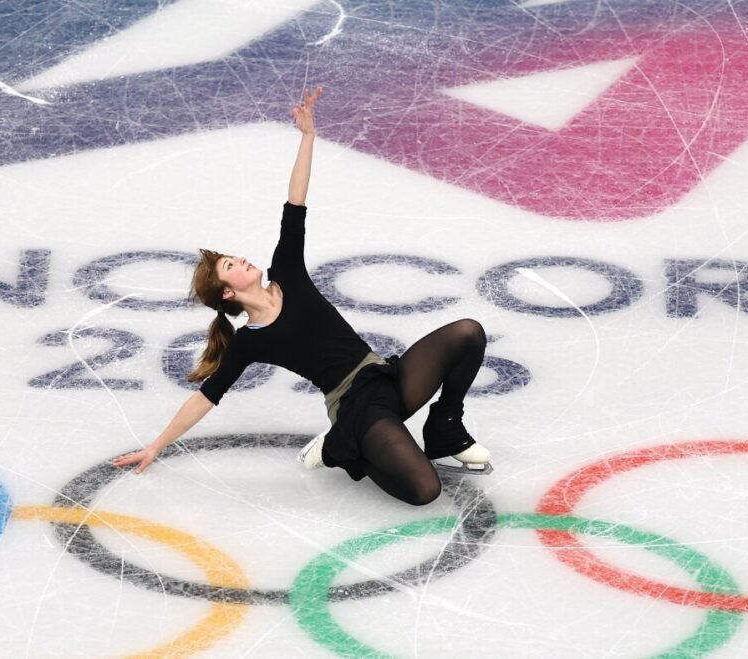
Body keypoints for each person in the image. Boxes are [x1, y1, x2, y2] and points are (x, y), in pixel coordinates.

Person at [113, 88, 490, 505]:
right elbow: (206, 398)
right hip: (355, 406)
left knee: (468, 332)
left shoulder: (287, 271)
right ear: (227, 291)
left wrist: (308, 136)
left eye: (233, 256)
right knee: (425, 490)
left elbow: (296, 201)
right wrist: (156, 446)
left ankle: (444, 428)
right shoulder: (250, 341)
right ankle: (338, 447)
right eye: (229, 265)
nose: (240, 259)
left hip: (385, 375)